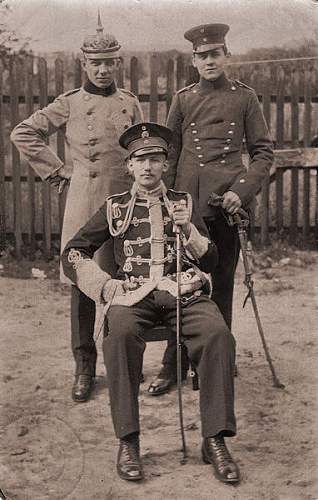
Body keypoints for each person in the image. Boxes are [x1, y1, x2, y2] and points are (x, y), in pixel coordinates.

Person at [61, 122, 240, 484]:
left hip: (182, 293)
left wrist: (188, 230)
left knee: (219, 334)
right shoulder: (114, 208)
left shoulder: (183, 203)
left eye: (155, 159)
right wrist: (105, 286)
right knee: (119, 338)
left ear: (164, 163)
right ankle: (128, 441)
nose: (147, 167)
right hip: (133, 295)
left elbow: (211, 263)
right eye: (140, 160)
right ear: (129, 166)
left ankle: (215, 439)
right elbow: (73, 253)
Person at [10, 15, 143, 402]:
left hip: (124, 202)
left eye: (109, 62)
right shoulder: (69, 103)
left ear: (118, 63)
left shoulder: (130, 103)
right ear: (83, 63)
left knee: (126, 281)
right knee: (83, 286)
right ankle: (84, 367)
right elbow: (24, 132)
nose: (103, 70)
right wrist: (58, 173)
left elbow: (141, 152)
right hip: (84, 203)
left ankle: (123, 364)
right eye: (95, 63)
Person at [148, 23, 274, 396]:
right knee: (178, 282)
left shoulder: (245, 98)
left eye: (214, 54)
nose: (209, 61)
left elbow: (264, 153)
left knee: (220, 282)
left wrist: (242, 191)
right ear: (193, 60)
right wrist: (166, 199)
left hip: (227, 206)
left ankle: (214, 361)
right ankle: (173, 363)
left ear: (226, 56)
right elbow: (169, 154)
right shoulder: (183, 99)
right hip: (188, 208)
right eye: (201, 56)